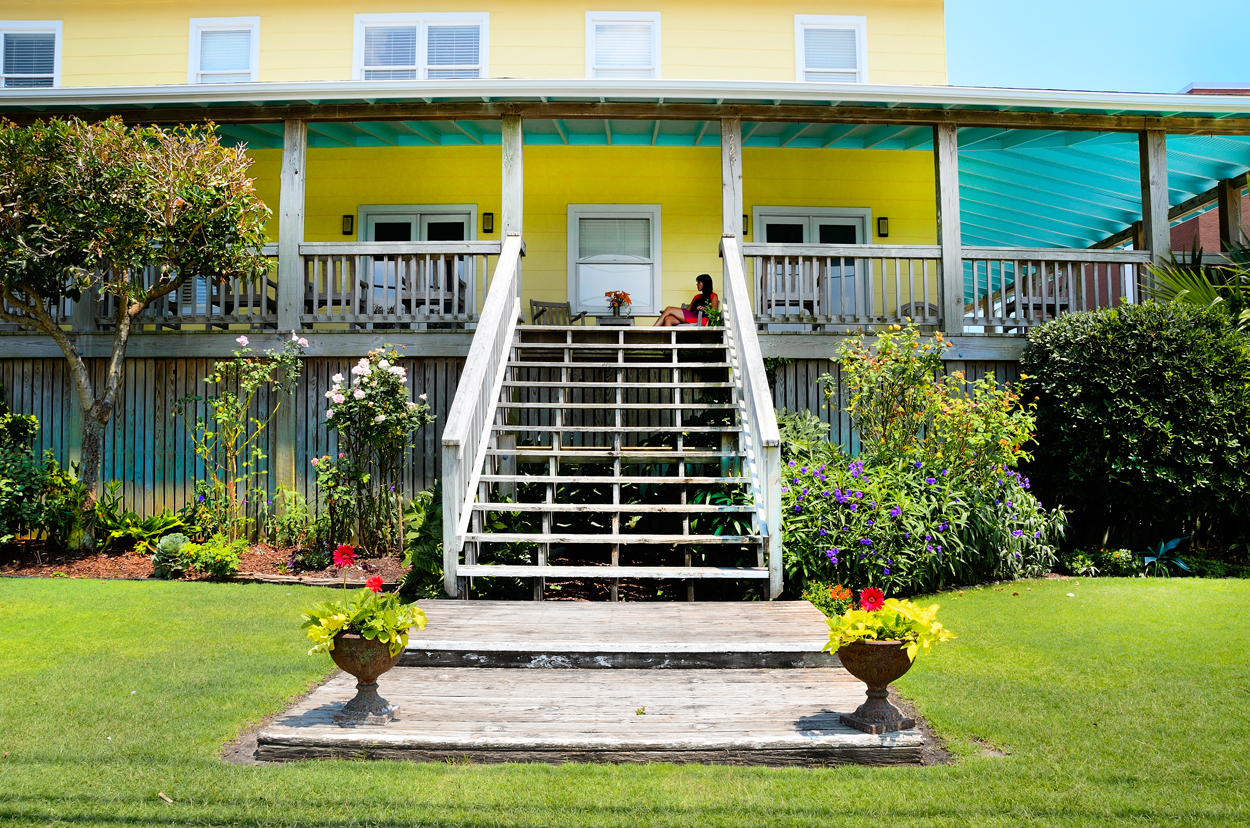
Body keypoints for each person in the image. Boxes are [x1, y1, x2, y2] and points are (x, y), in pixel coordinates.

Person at [654, 274, 718, 326]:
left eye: (699, 282)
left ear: (705, 283)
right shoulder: (697, 296)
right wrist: (674, 313)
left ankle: (652, 330)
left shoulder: (713, 296)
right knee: (668, 318)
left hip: (700, 319)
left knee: (668, 309)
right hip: (691, 316)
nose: (697, 284)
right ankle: (667, 341)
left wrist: (705, 310)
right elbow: (687, 310)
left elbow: (713, 314)